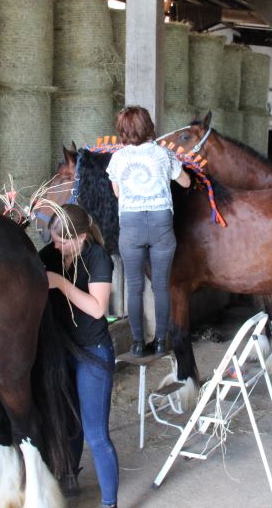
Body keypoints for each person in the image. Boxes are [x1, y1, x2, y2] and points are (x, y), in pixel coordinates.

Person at [39, 204, 119, 508]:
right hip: (62, 350)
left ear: (81, 237)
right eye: (54, 240)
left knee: (96, 434)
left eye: (61, 241)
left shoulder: (98, 257)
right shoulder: (50, 254)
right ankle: (69, 478)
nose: (55, 245)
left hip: (92, 351)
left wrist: (60, 284)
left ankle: (110, 503)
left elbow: (97, 308)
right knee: (69, 422)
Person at [106, 106, 191, 357]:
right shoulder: (164, 154)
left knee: (134, 287)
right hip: (161, 224)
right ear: (148, 126)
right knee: (161, 286)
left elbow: (117, 192)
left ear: (123, 130)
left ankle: (137, 344)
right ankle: (161, 341)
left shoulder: (118, 158)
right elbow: (185, 182)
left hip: (131, 226)